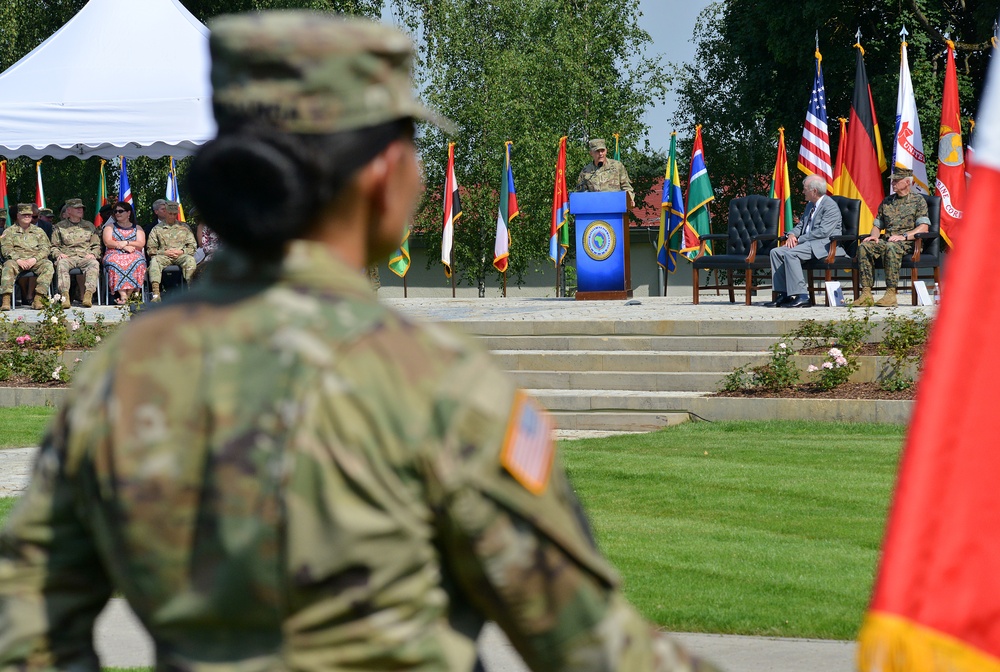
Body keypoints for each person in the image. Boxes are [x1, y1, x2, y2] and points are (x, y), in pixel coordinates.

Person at [0, 12, 721, 672]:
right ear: (383, 175)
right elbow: (591, 646)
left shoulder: (121, 374)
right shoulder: (433, 382)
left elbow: (25, 626)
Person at [764, 174, 845, 308]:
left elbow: (823, 232)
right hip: (808, 243)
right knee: (776, 252)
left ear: (814, 191)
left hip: (824, 244)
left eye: (805, 189)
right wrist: (791, 235)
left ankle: (802, 296)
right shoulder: (810, 205)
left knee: (791, 254)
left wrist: (799, 239)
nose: (803, 192)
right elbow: (801, 225)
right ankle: (784, 295)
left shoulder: (830, 206)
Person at [855, 168, 930, 308]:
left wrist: (904, 236)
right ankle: (866, 293)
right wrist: (874, 236)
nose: (893, 183)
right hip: (888, 240)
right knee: (865, 246)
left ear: (907, 182)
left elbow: (924, 228)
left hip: (908, 243)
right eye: (892, 180)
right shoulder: (887, 201)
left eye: (896, 180)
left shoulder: (918, 201)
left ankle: (890, 293)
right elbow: (877, 225)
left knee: (891, 247)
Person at [0, 203, 54, 311]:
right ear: (18, 216)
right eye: (24, 215)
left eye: (29, 215)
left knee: (48, 265)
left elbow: (46, 248)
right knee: (8, 266)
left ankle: (38, 298)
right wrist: (18, 260)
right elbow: (6, 249)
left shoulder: (39, 231)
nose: (27, 217)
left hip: (35, 260)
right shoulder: (9, 231)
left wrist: (34, 259)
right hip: (17, 260)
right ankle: (6, 300)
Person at [50, 197, 101, 308]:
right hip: (68, 257)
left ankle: (88, 295)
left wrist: (93, 254)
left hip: (85, 256)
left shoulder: (89, 226)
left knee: (94, 263)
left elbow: (96, 245)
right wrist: (58, 254)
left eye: (81, 208)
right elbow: (54, 246)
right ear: (68, 211)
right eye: (77, 208)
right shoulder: (59, 226)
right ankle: (65, 297)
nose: (80, 210)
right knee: (61, 263)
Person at [146, 201, 196, 301]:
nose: (172, 216)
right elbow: (151, 249)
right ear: (166, 212)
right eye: (170, 214)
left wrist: (182, 251)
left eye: (174, 214)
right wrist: (164, 252)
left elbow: (193, 247)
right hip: (164, 255)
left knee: (190, 261)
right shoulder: (157, 229)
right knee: (154, 261)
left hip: (181, 255)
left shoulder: (184, 228)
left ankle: (192, 293)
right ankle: (156, 294)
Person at [102, 201, 146, 304]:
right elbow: (108, 242)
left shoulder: (137, 228)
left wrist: (127, 242)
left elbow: (141, 243)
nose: (117, 213)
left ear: (129, 213)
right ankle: (123, 295)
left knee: (137, 261)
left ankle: (128, 296)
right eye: (115, 211)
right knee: (116, 261)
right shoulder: (109, 227)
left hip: (134, 253)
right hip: (113, 252)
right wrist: (123, 247)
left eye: (120, 211)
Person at [575, 138, 635, 206]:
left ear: (606, 151)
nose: (601, 154)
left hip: (615, 207)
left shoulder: (617, 166)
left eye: (602, 150)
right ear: (591, 153)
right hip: (594, 210)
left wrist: (630, 199)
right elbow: (580, 194)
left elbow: (626, 187)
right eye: (597, 151)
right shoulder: (585, 171)